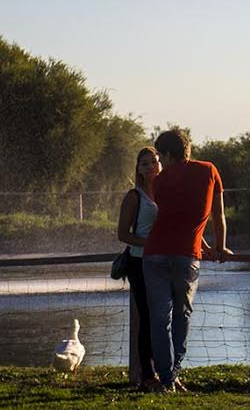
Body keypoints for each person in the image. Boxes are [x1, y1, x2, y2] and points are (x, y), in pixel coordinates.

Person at [142, 127, 233, 393]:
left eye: (161, 155)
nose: (160, 161)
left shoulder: (158, 182)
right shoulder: (209, 170)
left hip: (155, 255)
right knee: (183, 316)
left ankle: (167, 379)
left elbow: (171, 218)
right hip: (186, 256)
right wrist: (220, 247)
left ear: (169, 154)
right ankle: (174, 374)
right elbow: (217, 216)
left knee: (160, 319)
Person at [116, 147, 161, 390]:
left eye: (154, 161)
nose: (151, 166)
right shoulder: (134, 196)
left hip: (163, 261)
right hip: (140, 262)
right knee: (147, 317)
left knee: (162, 317)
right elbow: (123, 234)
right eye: (145, 164)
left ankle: (166, 372)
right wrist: (151, 243)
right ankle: (147, 375)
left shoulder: (166, 192)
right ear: (138, 169)